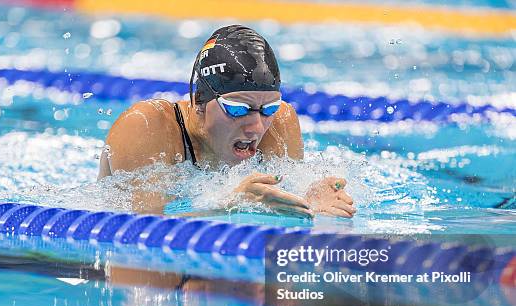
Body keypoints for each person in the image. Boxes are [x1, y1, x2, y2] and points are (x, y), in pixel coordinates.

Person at [98, 25, 356, 218]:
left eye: (268, 108)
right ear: (200, 102)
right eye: (238, 109)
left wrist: (308, 201)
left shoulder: (280, 122)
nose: (256, 127)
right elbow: (143, 231)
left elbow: (280, 208)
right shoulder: (147, 127)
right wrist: (228, 204)